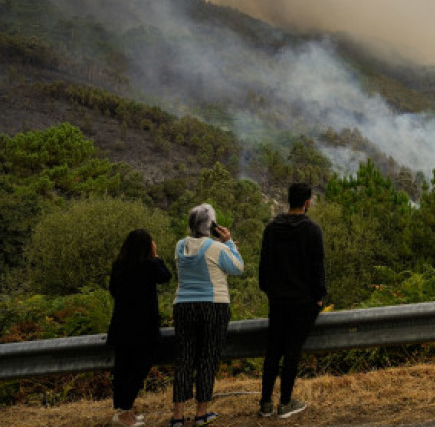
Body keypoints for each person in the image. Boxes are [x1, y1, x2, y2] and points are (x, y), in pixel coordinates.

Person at [170, 204, 244, 427]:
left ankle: (177, 417)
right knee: (207, 357)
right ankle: (201, 414)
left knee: (184, 358)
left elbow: (199, 253)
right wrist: (229, 243)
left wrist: (219, 246)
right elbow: (238, 267)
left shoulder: (179, 246)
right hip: (213, 305)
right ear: (212, 226)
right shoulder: (218, 248)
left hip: (183, 305)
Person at [257, 183, 326, 419]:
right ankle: (285, 403)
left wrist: (270, 291)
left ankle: (265, 403)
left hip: (277, 301)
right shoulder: (312, 231)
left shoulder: (271, 229)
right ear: (307, 202)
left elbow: (264, 268)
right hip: (302, 302)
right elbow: (318, 269)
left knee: (273, 350)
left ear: (289, 200)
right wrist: (318, 297)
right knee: (292, 350)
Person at [107, 229, 172, 427]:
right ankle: (124, 414)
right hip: (143, 328)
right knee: (138, 370)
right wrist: (156, 256)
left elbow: (113, 290)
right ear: (147, 246)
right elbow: (166, 276)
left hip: (121, 325)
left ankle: (123, 411)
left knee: (122, 369)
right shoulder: (149, 265)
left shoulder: (119, 265)